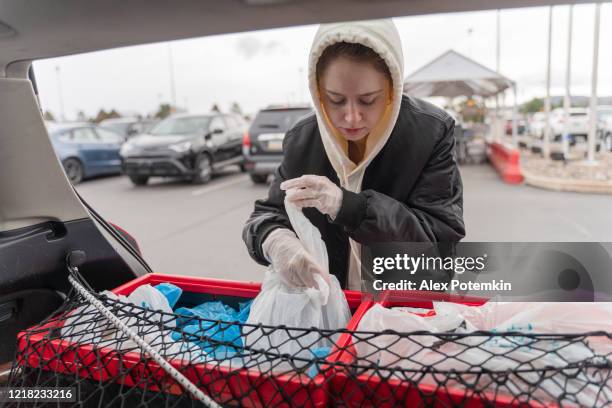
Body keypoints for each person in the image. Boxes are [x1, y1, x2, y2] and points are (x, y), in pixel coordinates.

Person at [243, 19, 464, 291]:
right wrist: (275, 241)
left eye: (368, 100)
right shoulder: (303, 139)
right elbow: (266, 215)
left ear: (392, 90)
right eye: (335, 100)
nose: (351, 116)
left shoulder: (431, 132)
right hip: (328, 306)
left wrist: (350, 208)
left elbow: (439, 246)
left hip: (402, 306)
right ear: (318, 92)